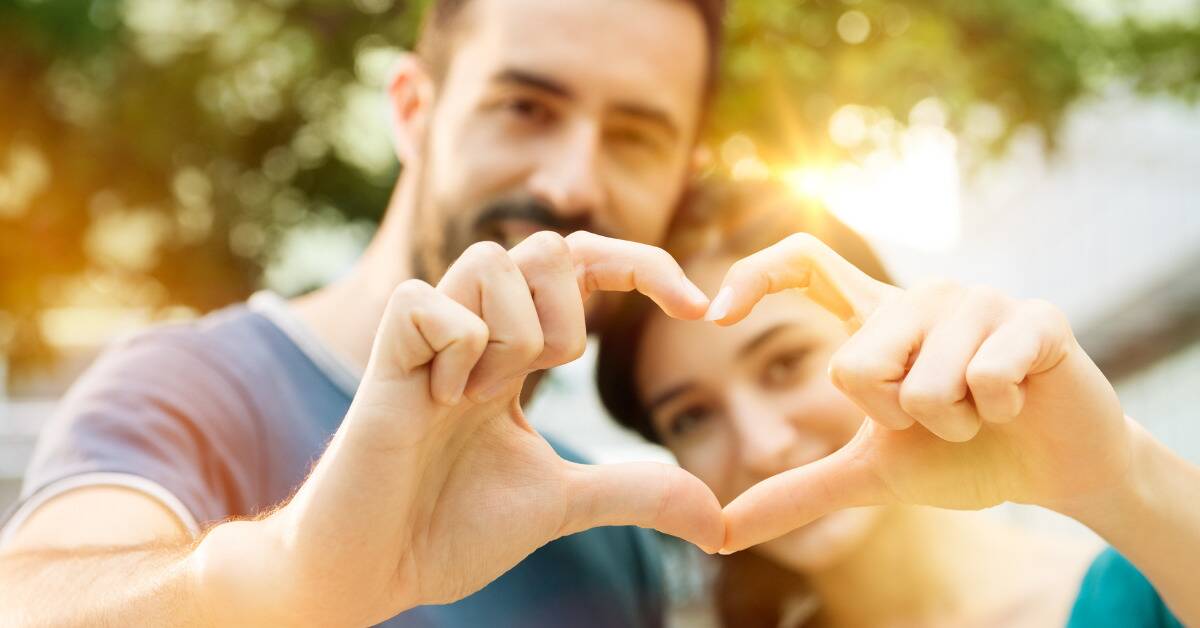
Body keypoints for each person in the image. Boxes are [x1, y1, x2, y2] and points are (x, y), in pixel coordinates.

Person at [0, 0, 728, 625]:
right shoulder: (187, 389)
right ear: (414, 110)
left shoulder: (611, 537)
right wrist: (280, 580)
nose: (570, 184)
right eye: (524, 107)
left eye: (636, 137)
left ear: (683, 178)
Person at [596, 180, 1200, 627]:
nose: (763, 444)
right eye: (691, 417)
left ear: (891, 334)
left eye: (784, 364)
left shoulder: (1152, 593)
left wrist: (1118, 482)